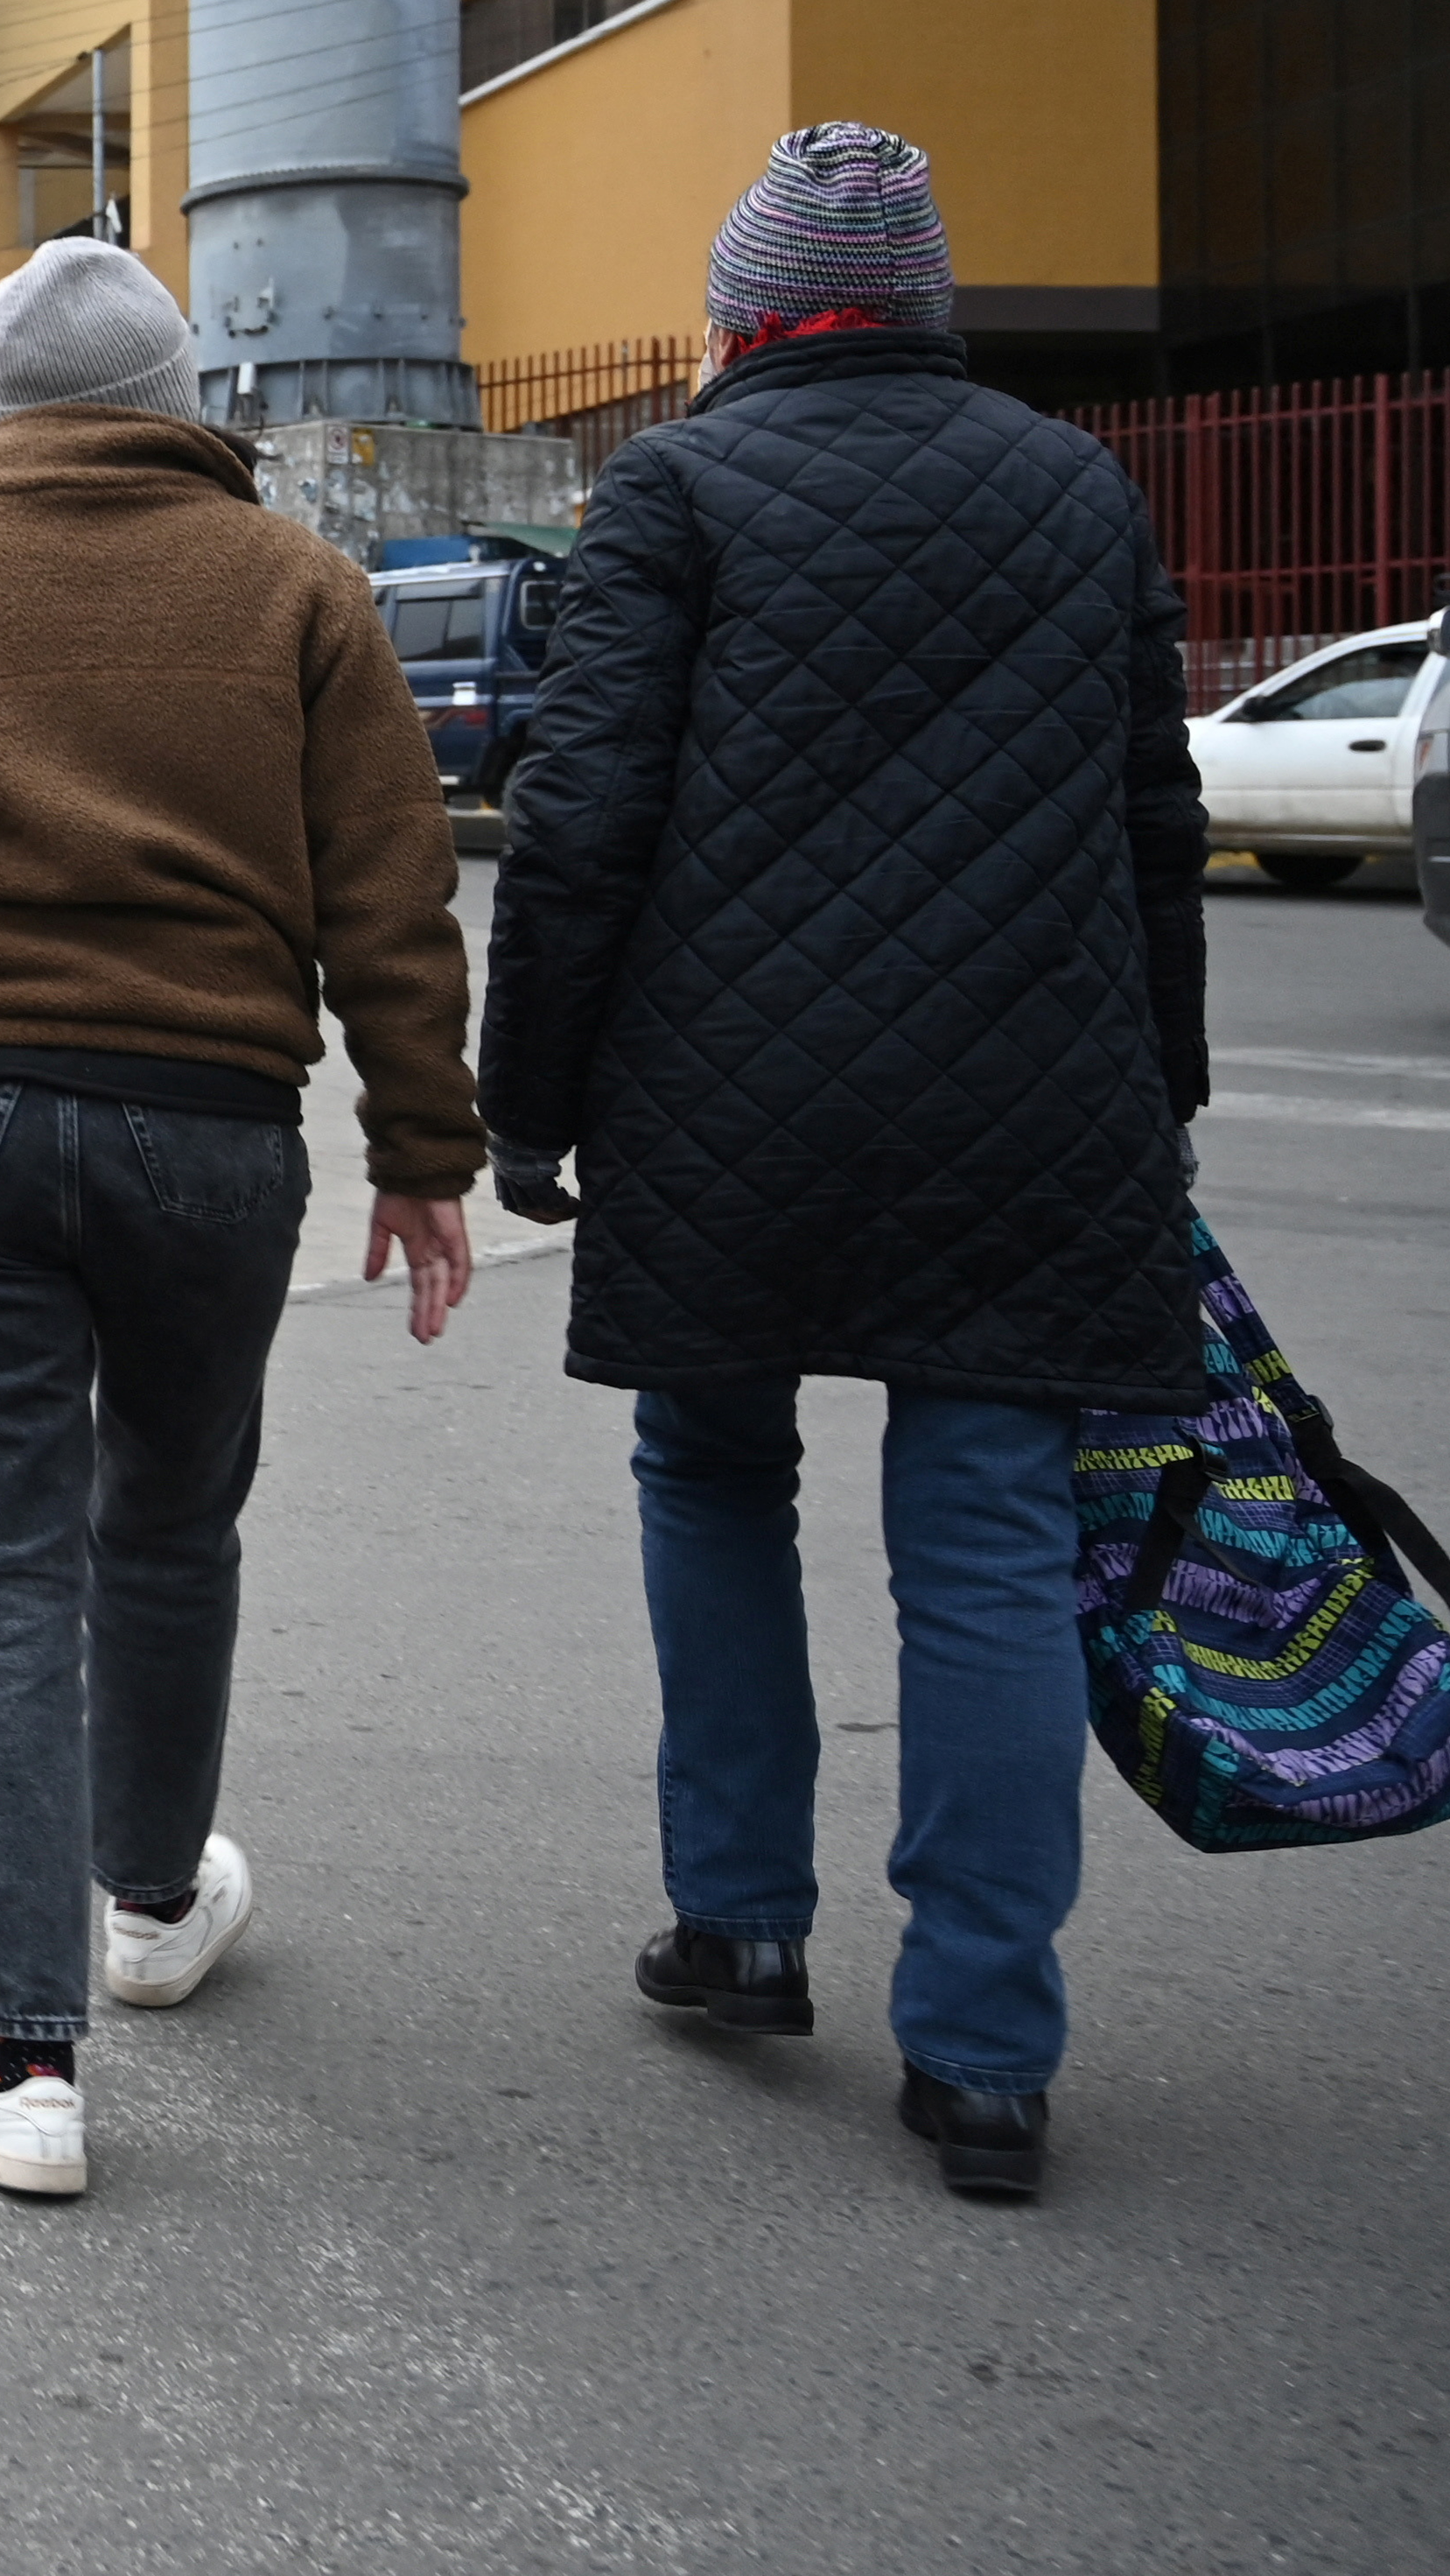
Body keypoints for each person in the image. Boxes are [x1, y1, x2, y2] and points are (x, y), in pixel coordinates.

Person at [0, 238, 481, 2200]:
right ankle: (149, 1900)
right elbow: (392, 886)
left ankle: (24, 2061)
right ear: (180, 397)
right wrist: (423, 1146)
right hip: (216, 1124)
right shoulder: (297, 583)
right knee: (174, 1510)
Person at [480, 123, 1208, 2205]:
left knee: (714, 1468)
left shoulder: (680, 487)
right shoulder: (1077, 484)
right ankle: (985, 2052)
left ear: (741, 313)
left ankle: (743, 1919)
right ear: (928, 308)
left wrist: (527, 1095)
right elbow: (1154, 815)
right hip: (1036, 1106)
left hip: (732, 1109)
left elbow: (585, 813)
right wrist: (1163, 1084)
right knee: (986, 1543)